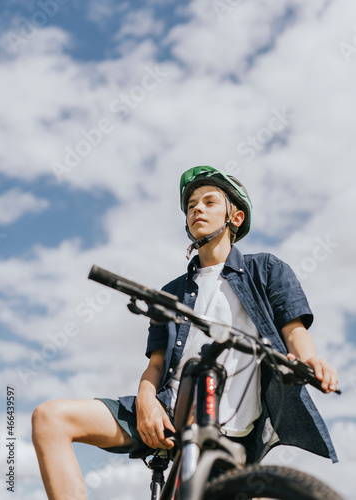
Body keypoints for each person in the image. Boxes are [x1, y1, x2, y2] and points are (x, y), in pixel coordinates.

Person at [32, 165, 338, 500]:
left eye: (209, 202)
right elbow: (156, 364)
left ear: (235, 218)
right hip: (166, 413)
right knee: (50, 418)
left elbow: (293, 330)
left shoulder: (265, 269)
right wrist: (147, 401)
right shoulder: (172, 292)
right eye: (191, 205)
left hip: (230, 434)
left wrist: (310, 361)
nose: (197, 209)